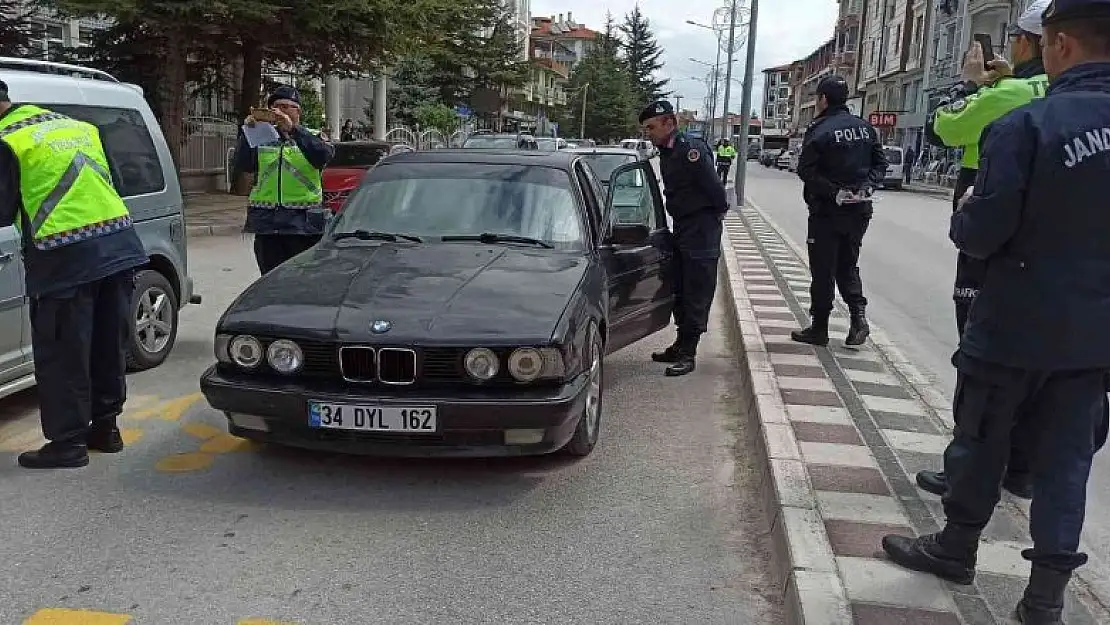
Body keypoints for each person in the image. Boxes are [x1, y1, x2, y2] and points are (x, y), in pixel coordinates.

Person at [882, 3, 1110, 621]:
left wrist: (966, 212)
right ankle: (1044, 601)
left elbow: (980, 232)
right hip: (1093, 337)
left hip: (1014, 321)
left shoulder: (1025, 124)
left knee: (983, 439)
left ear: (1059, 43)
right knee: (1065, 461)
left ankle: (956, 548)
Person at [915, 0, 1052, 501]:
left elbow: (942, 128)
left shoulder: (1009, 94)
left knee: (979, 357)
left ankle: (968, 471)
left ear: (1024, 43)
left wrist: (975, 85)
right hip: (1047, 246)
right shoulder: (1060, 91)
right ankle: (1021, 468)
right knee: (1035, 361)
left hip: (989, 235)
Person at [0, 79, 149, 469]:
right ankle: (105, 429)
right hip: (118, 247)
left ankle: (67, 444)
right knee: (106, 345)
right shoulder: (76, 126)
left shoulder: (8, 141)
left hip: (64, 258)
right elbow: (110, 181)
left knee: (63, 353)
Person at [790, 75, 887, 348]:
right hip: (859, 211)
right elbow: (880, 165)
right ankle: (858, 318)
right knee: (847, 264)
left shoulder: (820, 129)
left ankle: (819, 328)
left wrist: (835, 192)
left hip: (827, 211)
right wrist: (866, 187)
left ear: (823, 99)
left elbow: (806, 170)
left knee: (823, 269)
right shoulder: (866, 129)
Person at [639, 100, 729, 377]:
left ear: (669, 123)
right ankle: (680, 344)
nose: (648, 133)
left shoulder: (690, 149)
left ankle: (689, 352)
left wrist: (715, 215)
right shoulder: (667, 151)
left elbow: (714, 188)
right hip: (683, 226)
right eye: (646, 129)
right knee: (680, 285)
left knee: (697, 288)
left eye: (652, 127)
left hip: (701, 227)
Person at [234, 85, 334, 275]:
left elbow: (323, 156)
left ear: (299, 112)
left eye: (289, 107)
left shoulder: (313, 136)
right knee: (269, 281)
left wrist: (294, 130)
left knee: (302, 281)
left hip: (303, 226)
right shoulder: (262, 138)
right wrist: (247, 133)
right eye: (278, 107)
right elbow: (244, 165)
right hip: (268, 225)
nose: (282, 112)